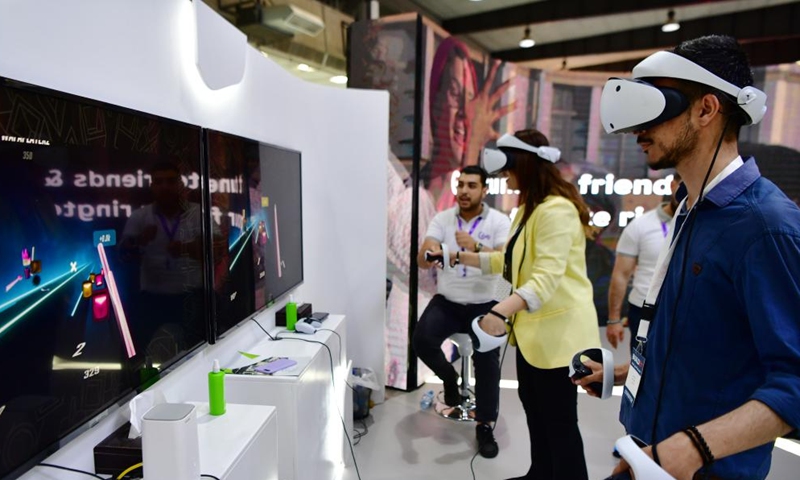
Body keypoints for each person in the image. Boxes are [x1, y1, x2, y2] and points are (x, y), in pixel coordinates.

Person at [574, 35, 800, 480]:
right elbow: (695, 339)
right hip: (646, 452)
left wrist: (693, 448)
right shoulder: (689, 206)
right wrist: (621, 374)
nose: (638, 127)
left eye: (657, 105)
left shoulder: (766, 227)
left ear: (706, 109)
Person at [442, 129, 601, 480]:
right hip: (532, 338)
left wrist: (500, 311)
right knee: (535, 410)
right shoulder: (529, 209)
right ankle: (540, 473)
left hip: (559, 340)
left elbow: (544, 279)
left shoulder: (556, 210)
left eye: (508, 169)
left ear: (523, 164)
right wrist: (461, 257)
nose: (506, 178)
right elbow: (510, 263)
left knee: (560, 423)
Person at [412, 165, 511, 459]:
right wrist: (428, 254)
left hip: (484, 302)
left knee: (487, 362)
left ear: (484, 190)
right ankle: (449, 379)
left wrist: (476, 246)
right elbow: (423, 256)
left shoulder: (499, 221)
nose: (464, 191)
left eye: (471, 185)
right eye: (461, 185)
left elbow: (506, 260)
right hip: (449, 300)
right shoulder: (443, 219)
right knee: (421, 340)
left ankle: (484, 426)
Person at [425, 36, 514, 210]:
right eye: (455, 94)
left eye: (471, 99)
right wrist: (472, 146)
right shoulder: (413, 192)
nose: (464, 112)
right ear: (435, 105)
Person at [606, 173, 681, 352]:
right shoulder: (641, 225)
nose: (688, 192)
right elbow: (621, 275)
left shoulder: (702, 225)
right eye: (683, 186)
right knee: (639, 371)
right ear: (672, 185)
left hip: (686, 312)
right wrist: (614, 319)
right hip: (644, 311)